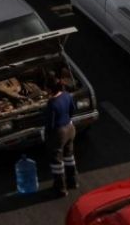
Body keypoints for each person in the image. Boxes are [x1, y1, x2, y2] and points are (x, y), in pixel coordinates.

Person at [44, 68, 77, 196]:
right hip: (70, 128)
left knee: (56, 160)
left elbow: (50, 124)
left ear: (49, 89)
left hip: (59, 133)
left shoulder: (52, 104)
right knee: (69, 155)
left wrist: (46, 135)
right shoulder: (67, 95)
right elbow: (72, 110)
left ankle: (60, 188)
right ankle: (73, 181)